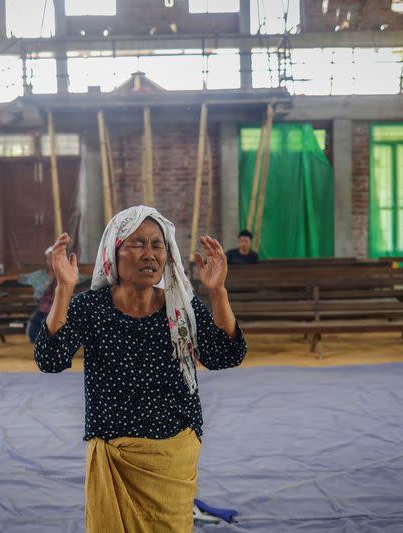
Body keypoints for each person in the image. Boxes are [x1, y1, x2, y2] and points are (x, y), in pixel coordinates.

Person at [34, 205, 247, 532]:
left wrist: (217, 292)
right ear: (114, 252)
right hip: (113, 461)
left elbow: (226, 354)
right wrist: (64, 288)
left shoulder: (181, 307)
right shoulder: (92, 308)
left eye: (157, 245)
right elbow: (49, 359)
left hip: (172, 460)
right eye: (138, 244)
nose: (150, 254)